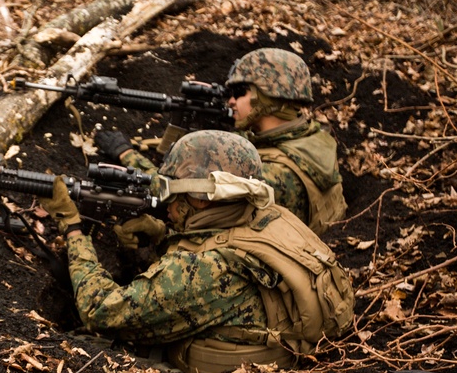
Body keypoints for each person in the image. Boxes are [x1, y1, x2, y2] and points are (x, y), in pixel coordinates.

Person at [40, 130, 353, 373]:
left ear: (201, 199)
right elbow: (215, 240)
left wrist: (73, 229)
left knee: (77, 349)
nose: (168, 205)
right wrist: (163, 234)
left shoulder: (207, 270)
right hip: (279, 354)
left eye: (172, 192)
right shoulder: (270, 215)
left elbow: (100, 311)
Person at [96, 48, 346, 235]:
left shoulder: (278, 176)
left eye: (239, 93)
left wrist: (126, 154)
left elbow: (177, 191)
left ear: (268, 97)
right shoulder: (312, 138)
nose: (231, 102)